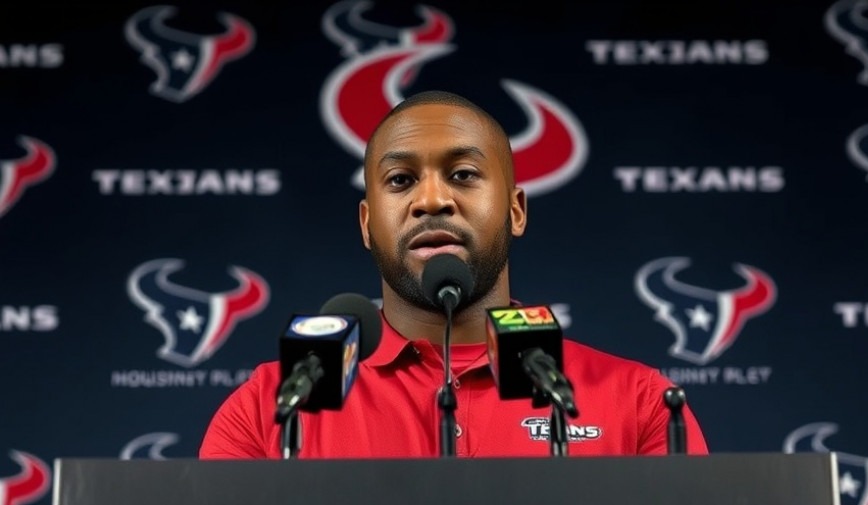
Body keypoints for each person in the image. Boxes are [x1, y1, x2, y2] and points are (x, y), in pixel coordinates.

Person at [199, 90, 708, 458]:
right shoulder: (270, 407)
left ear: (516, 211)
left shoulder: (639, 402)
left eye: (463, 175)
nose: (432, 200)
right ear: (367, 223)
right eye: (401, 180)